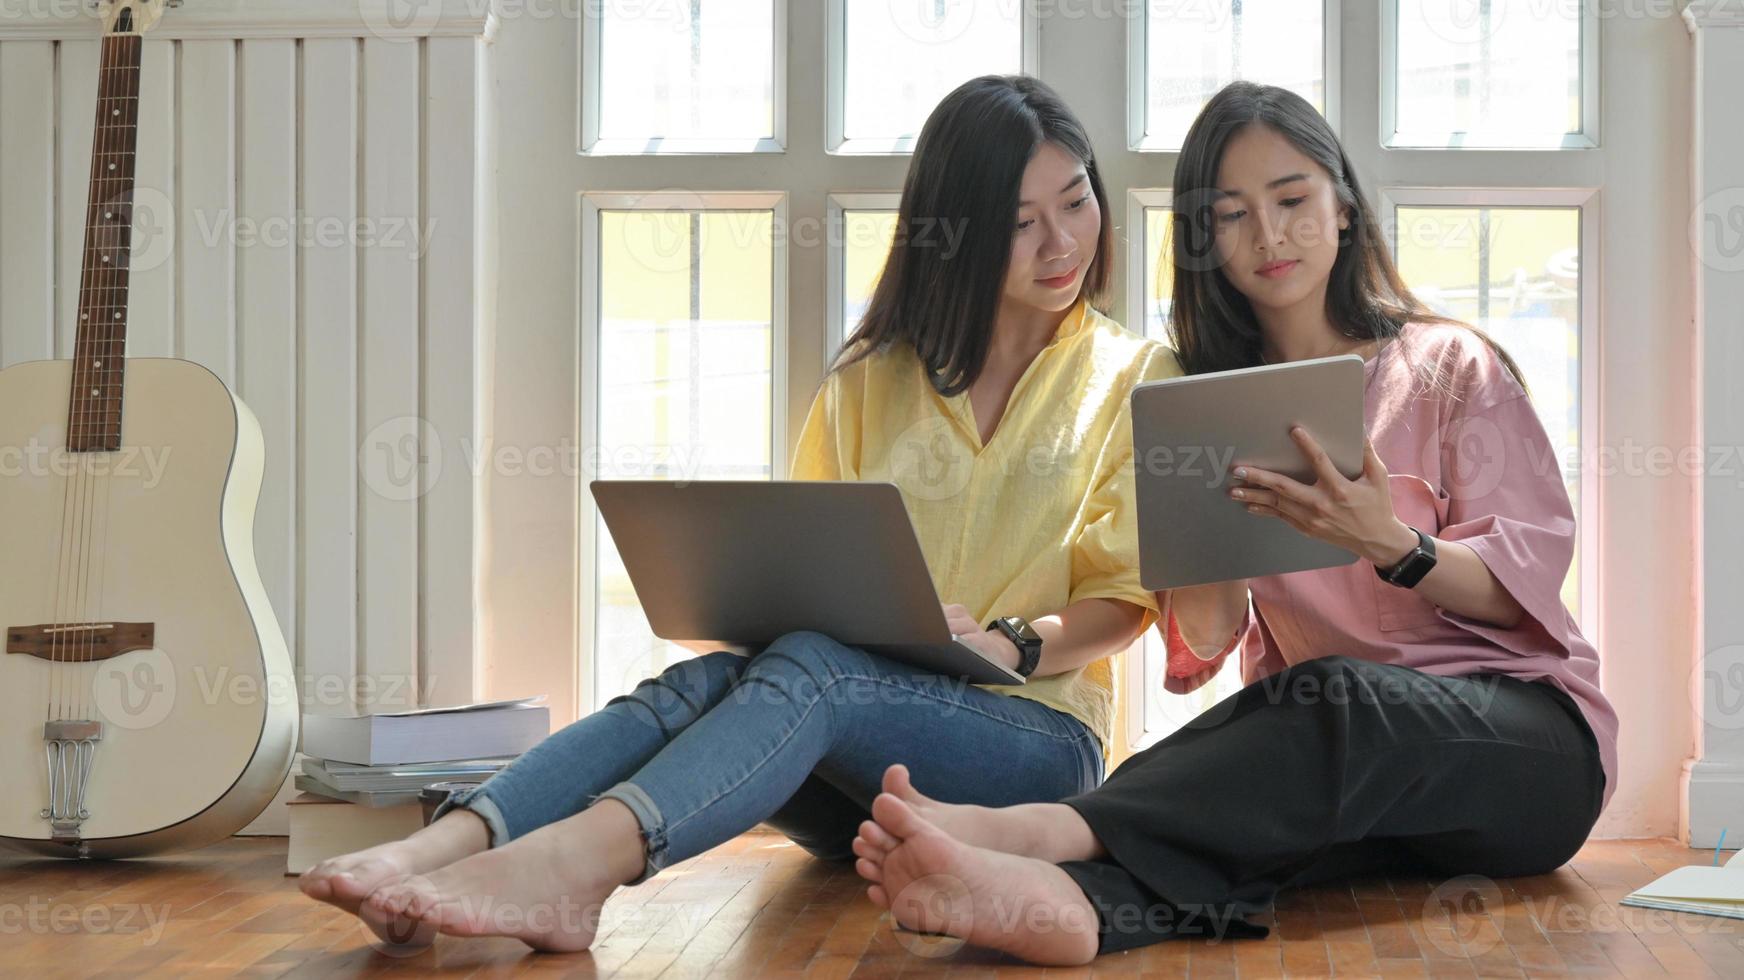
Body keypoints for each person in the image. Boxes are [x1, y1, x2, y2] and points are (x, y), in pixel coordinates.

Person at [298, 74, 1179, 952]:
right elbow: (814, 576)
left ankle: (572, 867)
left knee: (817, 671)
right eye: (1021, 223)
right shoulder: (871, 381)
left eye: (1076, 201)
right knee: (717, 677)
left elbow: (1125, 600)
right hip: (853, 783)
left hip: (1034, 745)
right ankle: (435, 846)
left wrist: (1007, 643)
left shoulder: (1139, 376)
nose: (1061, 241)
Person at [850, 80, 1618, 966]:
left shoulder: (1449, 365)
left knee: (1333, 694)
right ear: (1204, 241)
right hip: (1343, 767)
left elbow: (1522, 592)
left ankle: (1034, 833)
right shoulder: (1204, 406)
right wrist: (1203, 523)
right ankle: (1076, 909)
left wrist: (1390, 542)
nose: (1270, 235)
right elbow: (1208, 641)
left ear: (1341, 206)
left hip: (1527, 751)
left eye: (1292, 200)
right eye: (1232, 215)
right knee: (1262, 791)